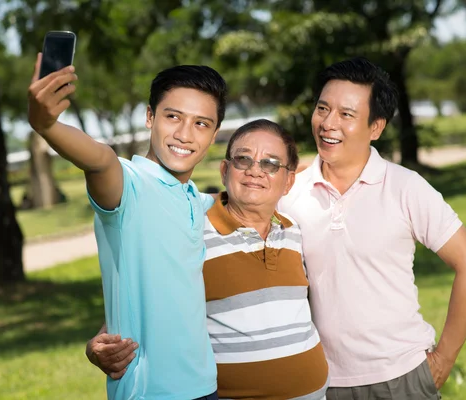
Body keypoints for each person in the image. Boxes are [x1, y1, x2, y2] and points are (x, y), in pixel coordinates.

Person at [278, 57, 466, 399]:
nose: (328, 123)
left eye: (346, 114)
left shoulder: (405, 187)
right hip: (319, 382)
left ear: (375, 127)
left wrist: (445, 358)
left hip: (401, 377)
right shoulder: (289, 192)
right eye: (322, 108)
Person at [28, 56, 227, 400]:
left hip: (205, 386)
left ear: (213, 134)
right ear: (150, 117)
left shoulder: (194, 197)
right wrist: (46, 124)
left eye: (201, 123)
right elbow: (99, 159)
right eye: (173, 116)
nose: (184, 134)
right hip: (151, 392)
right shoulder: (128, 184)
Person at [88, 119, 330, 399]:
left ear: (288, 181)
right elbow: (146, 299)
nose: (255, 171)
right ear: (225, 170)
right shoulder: (191, 229)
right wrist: (99, 345)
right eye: (243, 159)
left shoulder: (293, 230)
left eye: (270, 164)